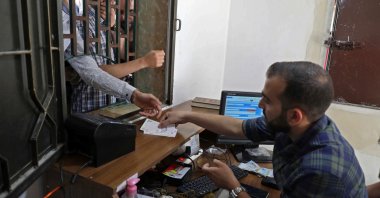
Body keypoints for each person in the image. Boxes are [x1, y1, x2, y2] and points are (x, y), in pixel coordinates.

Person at [159, 61, 368, 197]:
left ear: (295, 115)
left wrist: (233, 186)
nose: (260, 105)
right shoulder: (296, 125)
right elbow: (238, 126)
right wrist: (186, 115)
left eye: (267, 101)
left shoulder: (319, 171)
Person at [62, 0, 164, 115]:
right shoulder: (73, 20)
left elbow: (118, 54)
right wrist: (143, 62)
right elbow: (98, 71)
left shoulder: (95, 16)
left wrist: (111, 25)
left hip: (111, 105)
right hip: (88, 108)